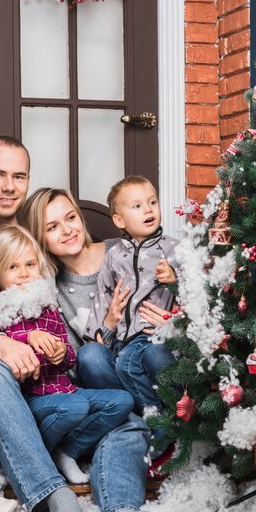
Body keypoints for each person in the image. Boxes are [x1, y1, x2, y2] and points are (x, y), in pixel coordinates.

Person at [0, 136, 171, 512]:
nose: (8, 185)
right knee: (99, 372)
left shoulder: (121, 252)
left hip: (112, 378)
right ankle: (57, 497)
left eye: (18, 175)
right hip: (54, 383)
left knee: (125, 417)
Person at [0, 225, 134, 485]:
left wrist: (61, 353)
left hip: (66, 389)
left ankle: (67, 450)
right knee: (76, 407)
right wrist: (28, 338)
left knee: (122, 401)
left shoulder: (48, 305)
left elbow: (70, 358)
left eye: (30, 264)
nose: (24, 274)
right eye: (12, 267)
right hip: (32, 397)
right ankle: (39, 458)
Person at [82, 176, 179, 423]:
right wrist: (98, 332)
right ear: (119, 220)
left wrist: (174, 277)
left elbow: (196, 290)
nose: (148, 209)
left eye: (152, 202)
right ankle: (150, 419)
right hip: (122, 339)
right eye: (137, 206)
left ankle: (156, 420)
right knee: (110, 358)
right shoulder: (114, 255)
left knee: (127, 363)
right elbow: (104, 293)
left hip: (153, 334)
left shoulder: (173, 250)